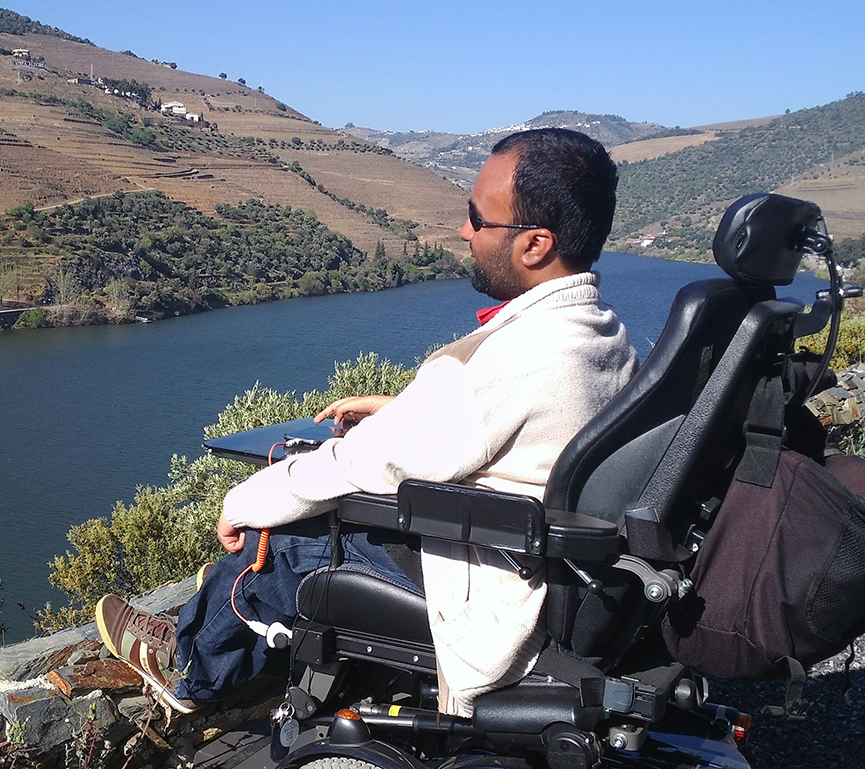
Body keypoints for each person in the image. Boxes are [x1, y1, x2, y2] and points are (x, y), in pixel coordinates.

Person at [95, 128, 640, 718]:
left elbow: (363, 460)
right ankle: (238, 618)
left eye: (478, 220)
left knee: (286, 538)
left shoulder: (516, 360)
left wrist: (246, 500)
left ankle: (193, 672)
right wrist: (403, 408)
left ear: (534, 245)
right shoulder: (602, 336)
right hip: (556, 576)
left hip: (493, 591)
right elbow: (508, 426)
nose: (464, 232)